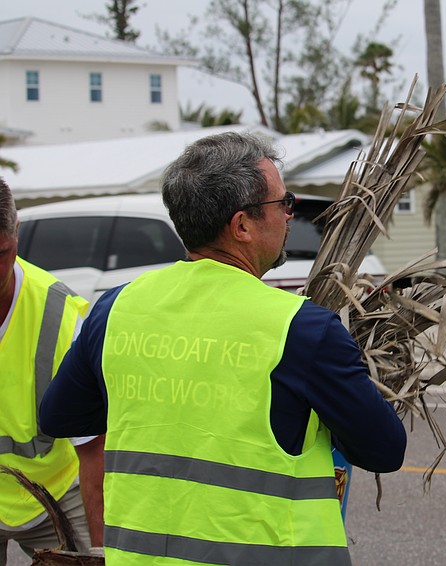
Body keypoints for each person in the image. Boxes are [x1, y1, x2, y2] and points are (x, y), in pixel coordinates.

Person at [39, 132, 406, 565]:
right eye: (282, 204)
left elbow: (58, 416)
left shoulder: (115, 309)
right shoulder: (304, 330)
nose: (290, 216)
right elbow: (384, 450)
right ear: (242, 225)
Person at [0, 178, 99, 564]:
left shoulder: (61, 318)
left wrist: (99, 550)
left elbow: (93, 450)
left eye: (1, 252)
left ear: (16, 234)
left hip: (56, 491)